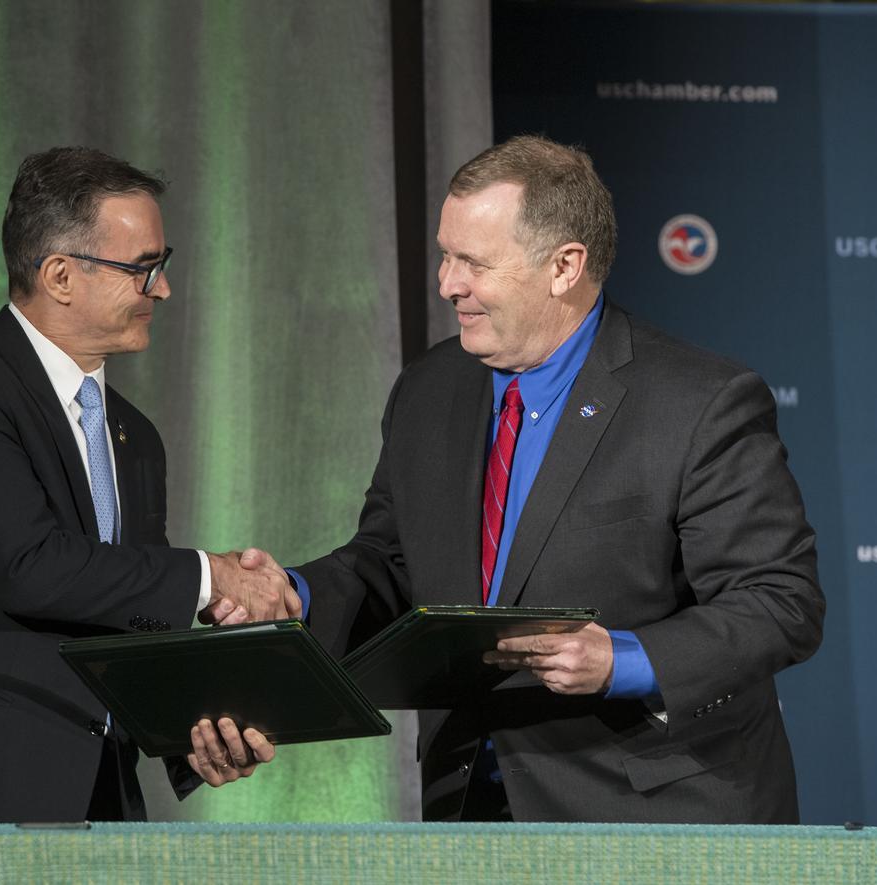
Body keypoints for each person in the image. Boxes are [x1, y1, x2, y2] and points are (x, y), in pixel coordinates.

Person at [243, 134, 824, 823]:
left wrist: (624, 658)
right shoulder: (428, 391)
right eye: (445, 254)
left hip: (654, 815)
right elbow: (392, 563)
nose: (446, 283)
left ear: (564, 266)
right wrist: (297, 593)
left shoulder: (699, 401)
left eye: (472, 262)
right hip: (471, 805)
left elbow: (780, 601)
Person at [0, 147, 299, 882]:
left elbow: (124, 611)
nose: (164, 287)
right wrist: (211, 577)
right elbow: (31, 568)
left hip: (95, 812)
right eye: (143, 266)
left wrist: (197, 730)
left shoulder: (132, 434)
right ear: (59, 275)